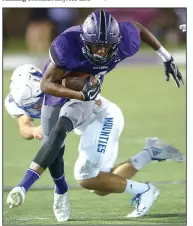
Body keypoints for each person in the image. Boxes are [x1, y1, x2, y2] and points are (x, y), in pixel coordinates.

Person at [6, 9, 184, 221]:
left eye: (106, 46)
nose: (101, 52)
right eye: (96, 46)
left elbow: (136, 29)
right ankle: (149, 153)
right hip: (83, 102)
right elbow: (31, 127)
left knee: (85, 177)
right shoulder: (61, 60)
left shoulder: (122, 43)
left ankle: (145, 190)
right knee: (98, 185)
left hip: (102, 116)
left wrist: (166, 56)